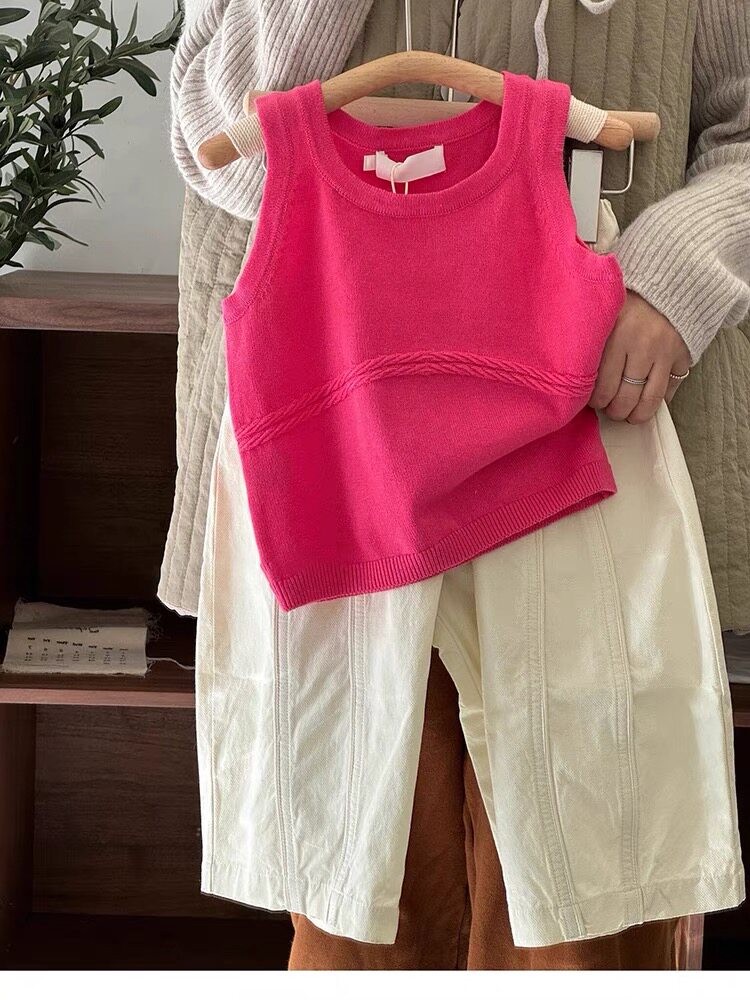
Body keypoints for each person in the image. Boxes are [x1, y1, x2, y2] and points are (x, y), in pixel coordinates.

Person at [164, 0, 750, 970]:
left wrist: (673, 277)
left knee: (592, 906)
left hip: (603, 417)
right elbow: (220, 142)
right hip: (340, 447)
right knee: (362, 912)